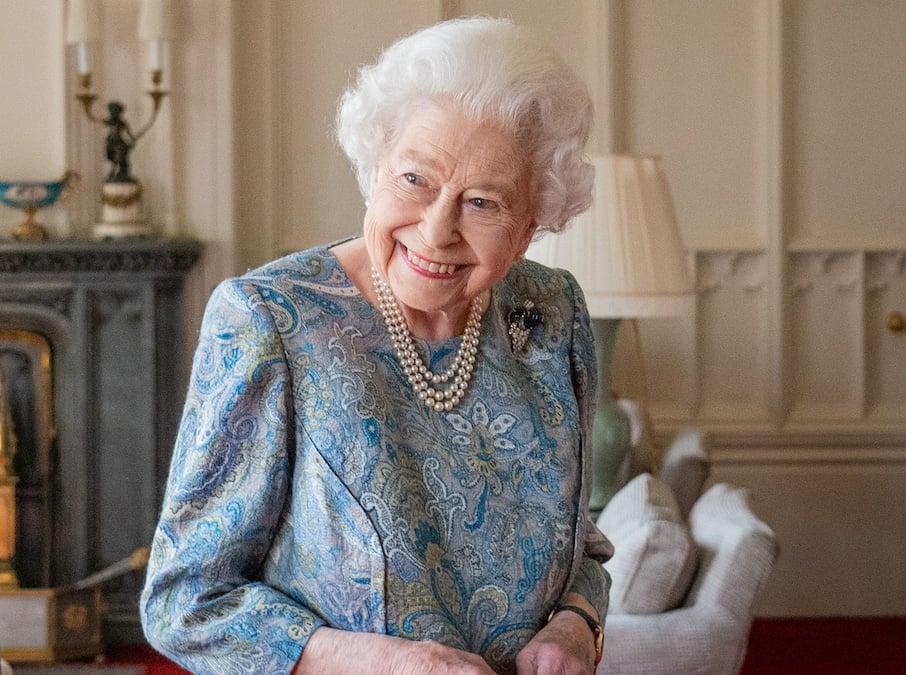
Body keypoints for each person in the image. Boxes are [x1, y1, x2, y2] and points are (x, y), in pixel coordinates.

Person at [141, 16, 612, 675]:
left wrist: (573, 624)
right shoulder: (271, 320)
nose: (437, 229)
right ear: (374, 167)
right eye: (415, 180)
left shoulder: (551, 314)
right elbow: (183, 602)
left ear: (532, 222)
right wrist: (383, 662)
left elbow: (580, 545)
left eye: (482, 202)